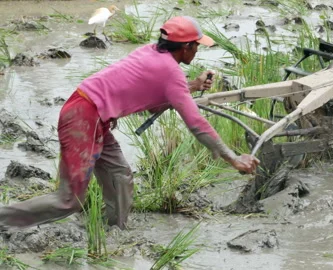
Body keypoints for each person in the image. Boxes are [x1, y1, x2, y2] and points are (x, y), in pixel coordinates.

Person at [0, 16, 260, 230]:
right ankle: (4, 220)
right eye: (197, 46)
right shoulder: (170, 72)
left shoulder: (152, 53)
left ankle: (113, 231)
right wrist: (233, 158)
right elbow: (197, 125)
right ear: (186, 47)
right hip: (83, 118)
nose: (197, 50)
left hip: (93, 116)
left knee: (120, 176)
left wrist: (191, 86)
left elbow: (152, 100)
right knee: (69, 200)